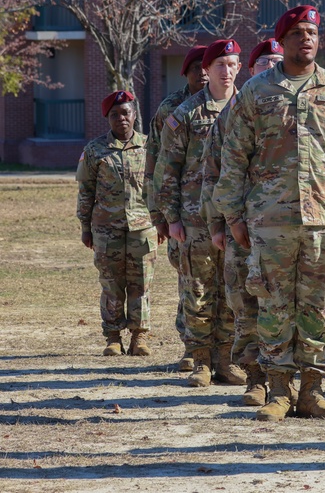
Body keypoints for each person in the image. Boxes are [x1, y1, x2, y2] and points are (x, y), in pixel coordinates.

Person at [215, 5, 325, 422]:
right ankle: (279, 391)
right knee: (273, 305)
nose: (307, 39)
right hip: (270, 220)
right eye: (299, 32)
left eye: (313, 32)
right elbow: (233, 156)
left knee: (319, 306)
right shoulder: (256, 92)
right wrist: (232, 215)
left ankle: (313, 391)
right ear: (282, 41)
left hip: (324, 218)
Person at [200, 38, 284, 406]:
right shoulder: (232, 111)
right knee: (245, 303)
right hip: (243, 228)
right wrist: (217, 224)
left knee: (284, 305)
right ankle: (255, 378)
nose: (271, 67)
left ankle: (285, 379)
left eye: (277, 61)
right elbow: (212, 172)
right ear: (252, 69)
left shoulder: (291, 108)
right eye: (265, 61)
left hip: (286, 227)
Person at [156, 39, 244, 388]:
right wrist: (172, 217)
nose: (226, 70)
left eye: (232, 63)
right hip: (195, 220)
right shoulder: (187, 113)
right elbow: (167, 168)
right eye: (219, 64)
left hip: (236, 217)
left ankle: (226, 360)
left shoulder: (248, 108)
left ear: (240, 68)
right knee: (199, 291)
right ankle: (201, 361)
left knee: (231, 291)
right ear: (206, 70)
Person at [78, 91, 160, 356]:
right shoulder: (94, 150)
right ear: (107, 118)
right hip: (106, 230)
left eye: (126, 113)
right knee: (111, 285)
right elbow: (86, 190)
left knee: (141, 284)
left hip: (143, 228)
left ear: (134, 115)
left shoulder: (150, 147)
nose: (121, 119)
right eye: (115, 115)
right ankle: (113, 337)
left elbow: (160, 187)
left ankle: (139, 337)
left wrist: (163, 222)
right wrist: (85, 227)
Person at [146, 45, 206, 371]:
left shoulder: (231, 102)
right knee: (188, 279)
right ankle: (191, 346)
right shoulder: (171, 107)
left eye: (206, 65)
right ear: (185, 73)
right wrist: (158, 214)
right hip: (182, 212)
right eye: (195, 67)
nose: (203, 72)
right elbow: (155, 161)